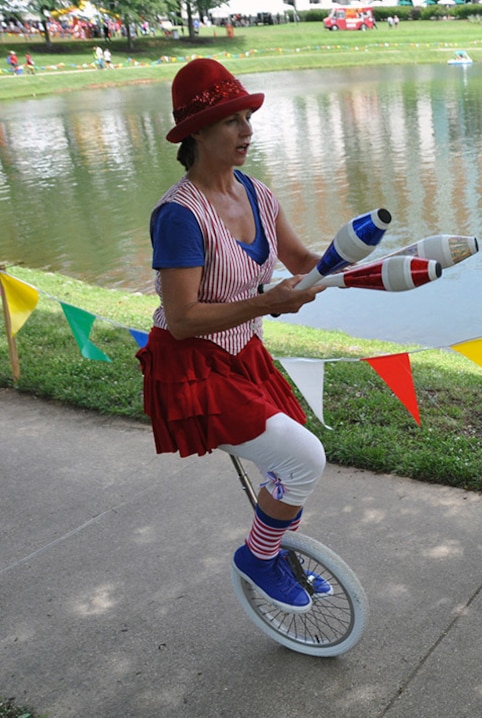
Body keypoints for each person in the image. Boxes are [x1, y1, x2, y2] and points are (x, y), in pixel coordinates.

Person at [136, 59, 329, 614]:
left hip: (244, 353)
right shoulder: (179, 215)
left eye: (247, 116)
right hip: (192, 365)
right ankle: (258, 559)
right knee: (302, 460)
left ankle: (272, 556)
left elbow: (302, 260)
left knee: (289, 467)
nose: (247, 130)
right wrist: (269, 301)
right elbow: (182, 319)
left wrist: (371, 270)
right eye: (230, 121)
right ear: (195, 132)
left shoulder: (257, 193)